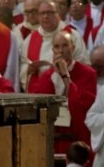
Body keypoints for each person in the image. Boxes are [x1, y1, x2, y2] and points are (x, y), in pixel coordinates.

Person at [28, 31, 96, 160]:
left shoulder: (88, 73)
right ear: (52, 49)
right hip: (52, 138)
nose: (61, 50)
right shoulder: (46, 76)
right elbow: (40, 105)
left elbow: (84, 105)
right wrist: (55, 75)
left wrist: (66, 77)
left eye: (65, 45)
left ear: (73, 47)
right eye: (57, 46)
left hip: (77, 136)